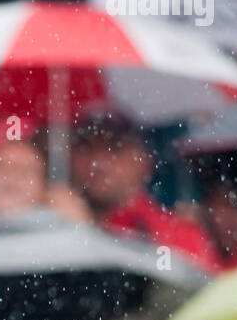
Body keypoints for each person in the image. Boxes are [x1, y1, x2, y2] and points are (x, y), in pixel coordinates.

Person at [70, 114, 223, 271]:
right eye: (85, 147)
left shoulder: (175, 234)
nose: (98, 163)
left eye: (115, 148)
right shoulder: (55, 223)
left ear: (144, 158)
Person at [0, 132, 92, 223]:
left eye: (24, 170)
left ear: (43, 189)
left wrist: (79, 225)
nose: (11, 176)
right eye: (1, 166)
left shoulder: (65, 228)